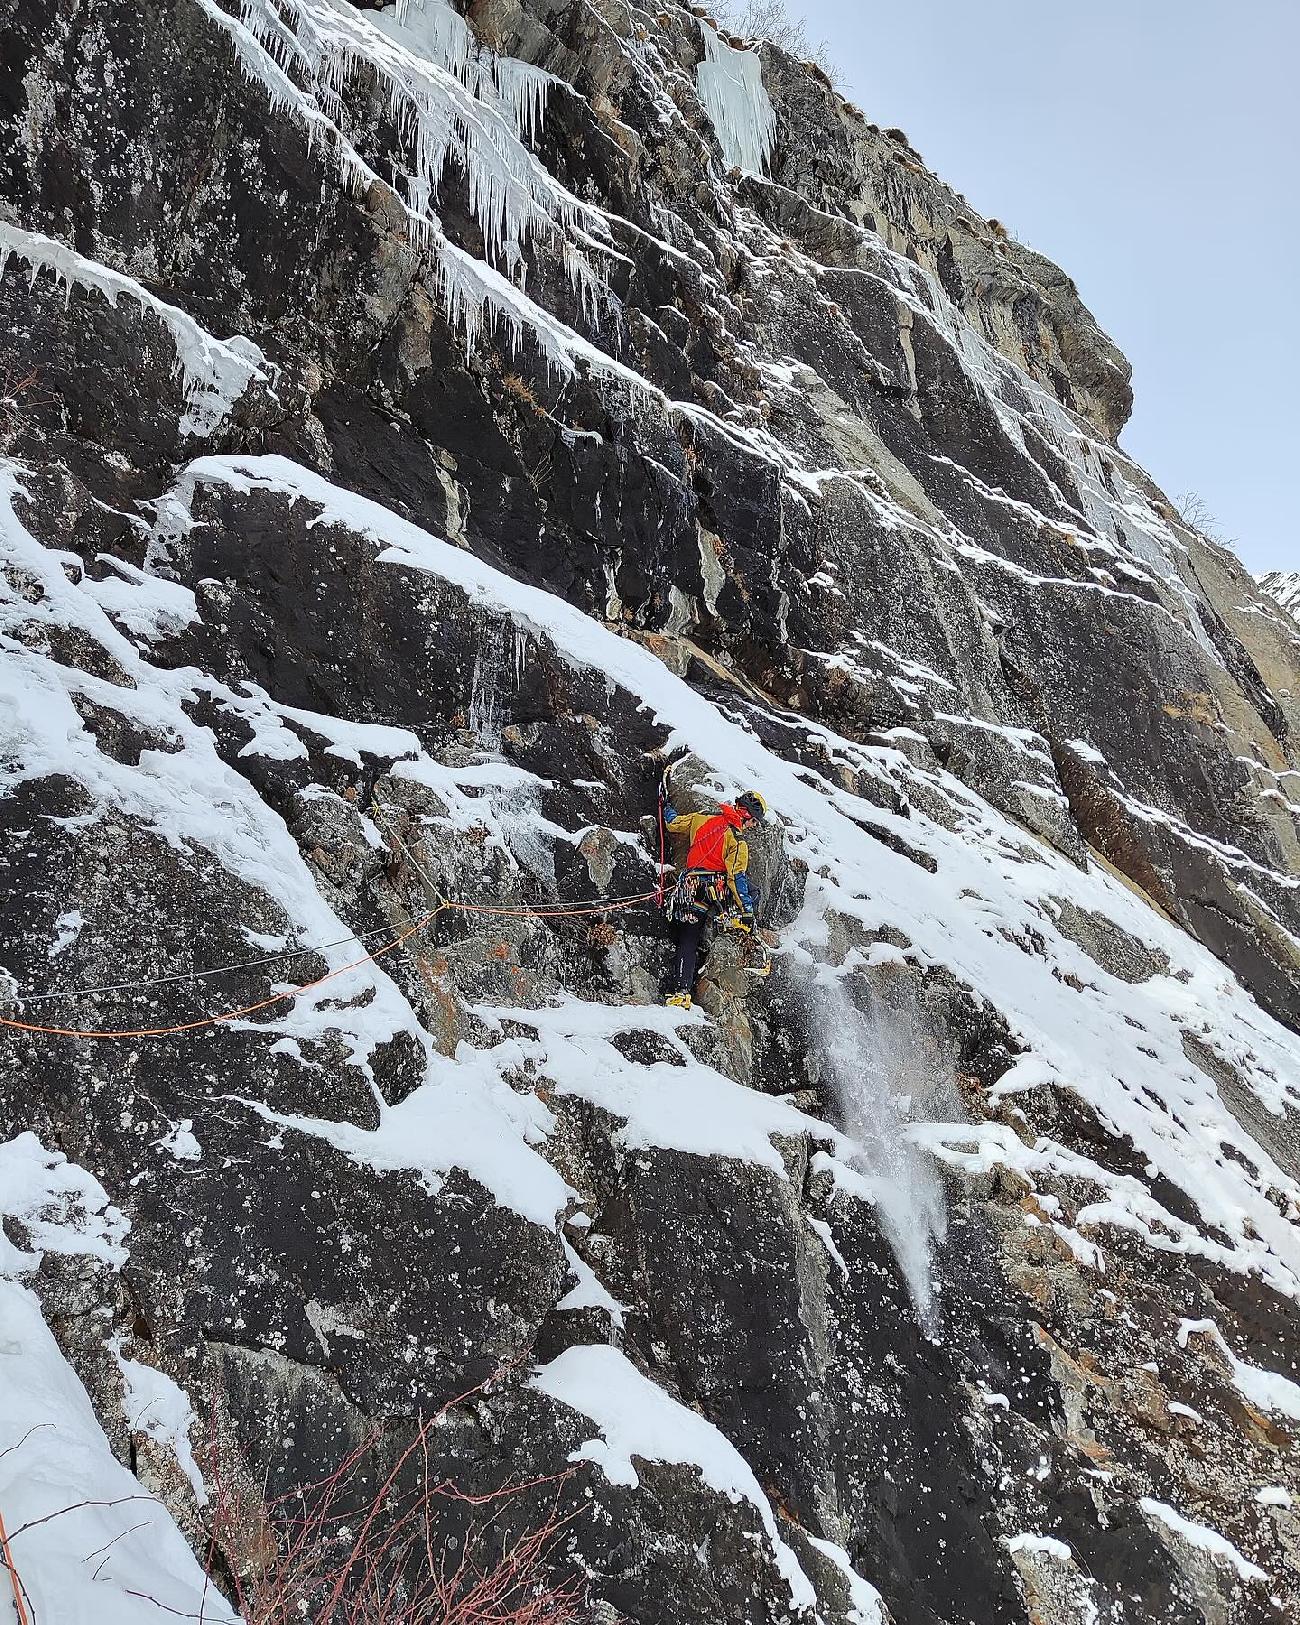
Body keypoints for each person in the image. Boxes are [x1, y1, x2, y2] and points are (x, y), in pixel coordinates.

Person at [660, 786, 767, 1009]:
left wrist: (666, 806)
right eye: (754, 822)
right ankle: (733, 920)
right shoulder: (737, 841)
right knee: (753, 891)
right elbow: (735, 877)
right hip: (715, 888)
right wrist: (747, 911)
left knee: (688, 938)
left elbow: (673, 823)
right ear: (747, 815)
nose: (753, 826)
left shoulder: (701, 819)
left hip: (689, 888)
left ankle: (681, 993)